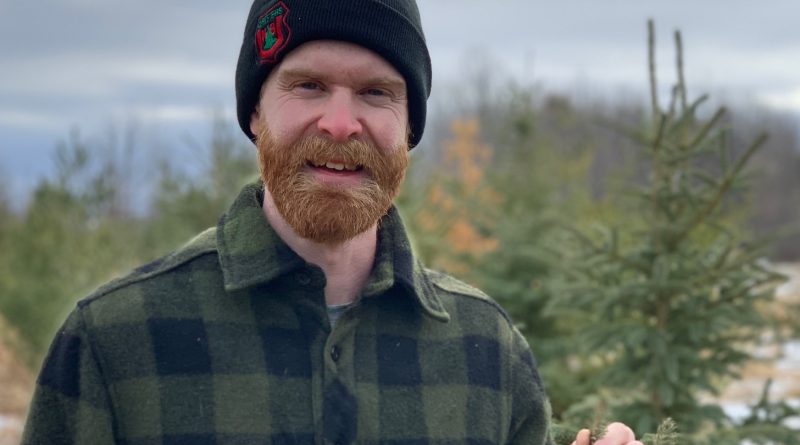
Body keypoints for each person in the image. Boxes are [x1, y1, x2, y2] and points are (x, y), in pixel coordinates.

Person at [22, 1, 642, 444]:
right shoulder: (114, 341)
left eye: (377, 93)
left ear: (409, 130)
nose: (342, 123)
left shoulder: (486, 350)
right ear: (255, 114)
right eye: (309, 85)